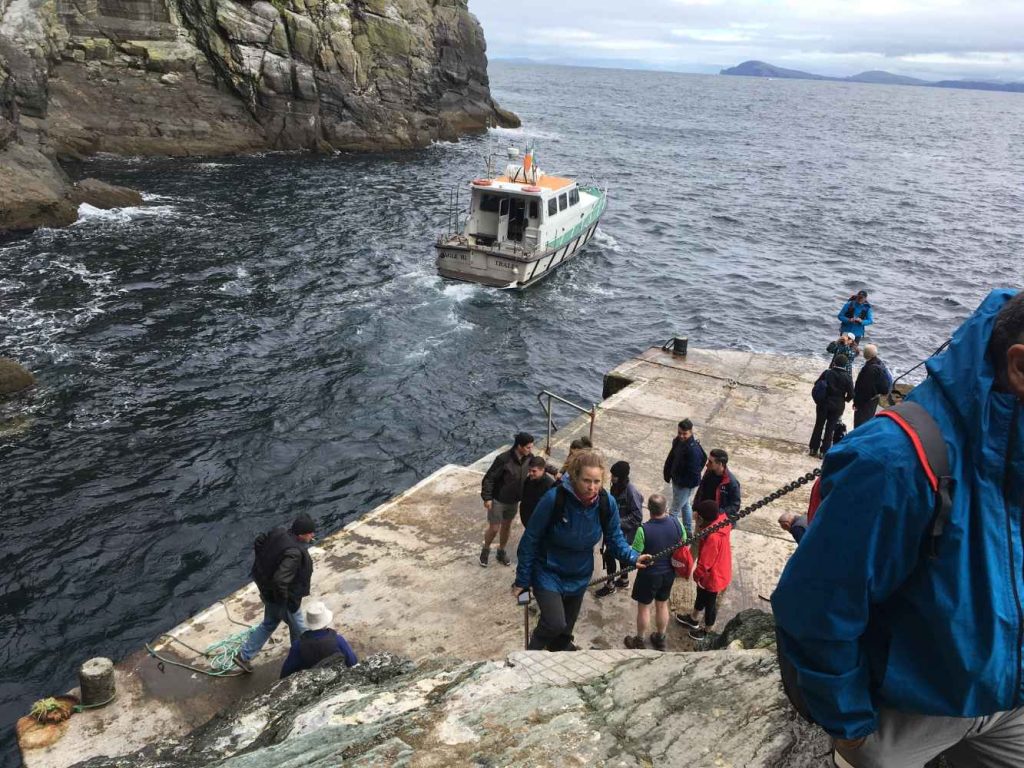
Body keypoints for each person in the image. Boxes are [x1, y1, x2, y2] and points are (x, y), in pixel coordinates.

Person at [773, 289, 1024, 767]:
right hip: (908, 701)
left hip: (1008, 696)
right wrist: (851, 729)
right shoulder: (893, 463)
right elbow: (817, 608)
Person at [513, 449, 653, 651]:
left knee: (565, 631)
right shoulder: (554, 499)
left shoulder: (606, 503)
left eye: (597, 481)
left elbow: (614, 538)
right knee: (554, 623)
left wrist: (633, 557)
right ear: (574, 476)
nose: (592, 487)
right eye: (587, 480)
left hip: (579, 574)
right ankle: (529, 656)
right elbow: (530, 540)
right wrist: (522, 580)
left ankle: (560, 653)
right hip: (548, 571)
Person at [234, 513, 317, 672]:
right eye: (310, 533)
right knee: (302, 631)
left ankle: (243, 656)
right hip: (283, 600)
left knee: (269, 623)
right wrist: (286, 602)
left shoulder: (279, 532)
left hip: (267, 592)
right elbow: (280, 580)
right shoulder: (295, 553)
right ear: (301, 535)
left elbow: (259, 541)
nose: (312, 535)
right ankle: (305, 662)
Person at [625, 493, 684, 651]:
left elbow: (636, 555)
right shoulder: (676, 524)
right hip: (668, 573)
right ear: (666, 508)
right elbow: (683, 542)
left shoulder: (643, 530)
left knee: (644, 608)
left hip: (648, 576)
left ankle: (639, 639)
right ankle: (660, 638)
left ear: (649, 509)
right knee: (662, 605)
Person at [675, 500, 732, 640]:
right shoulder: (720, 522)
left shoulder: (713, 537)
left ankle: (707, 630)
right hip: (718, 569)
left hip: (714, 575)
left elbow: (705, 563)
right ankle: (694, 618)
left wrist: (696, 575)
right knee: (701, 594)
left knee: (710, 603)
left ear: (702, 518)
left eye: (697, 517)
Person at [480, 432, 535, 568]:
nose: (530, 450)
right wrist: (487, 497)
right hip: (498, 500)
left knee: (507, 526)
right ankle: (485, 549)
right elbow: (489, 478)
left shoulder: (529, 457)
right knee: (494, 528)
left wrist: (554, 471)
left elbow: (539, 465)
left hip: (514, 501)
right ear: (519, 446)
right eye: (528, 447)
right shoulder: (503, 459)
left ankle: (501, 550)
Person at [596, 461, 644, 597]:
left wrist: (615, 522)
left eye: (615, 476)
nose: (612, 478)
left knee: (609, 555)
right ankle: (624, 579)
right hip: (616, 529)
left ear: (622, 477)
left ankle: (610, 585)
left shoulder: (631, 491)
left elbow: (637, 516)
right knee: (621, 557)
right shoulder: (616, 487)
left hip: (625, 532)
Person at [279, 600, 358, 678]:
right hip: (336, 678)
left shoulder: (298, 646)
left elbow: (285, 673)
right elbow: (352, 662)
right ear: (326, 621)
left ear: (308, 622)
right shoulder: (338, 640)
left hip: (310, 682)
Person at [662, 418, 706, 536]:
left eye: (684, 434)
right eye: (679, 433)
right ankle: (687, 531)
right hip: (677, 481)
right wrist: (669, 473)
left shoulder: (693, 449)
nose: (681, 436)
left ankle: (671, 534)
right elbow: (672, 457)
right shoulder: (678, 441)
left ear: (691, 432)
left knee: (674, 511)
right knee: (686, 505)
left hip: (685, 485)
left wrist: (683, 482)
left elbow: (702, 460)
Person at [808, 353, 854, 458]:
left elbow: (817, 384)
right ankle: (824, 451)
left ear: (834, 363)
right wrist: (845, 399)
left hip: (824, 402)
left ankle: (813, 448)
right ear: (845, 364)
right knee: (830, 428)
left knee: (819, 425)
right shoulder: (847, 377)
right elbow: (851, 394)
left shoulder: (827, 373)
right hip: (838, 405)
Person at [693, 448, 741, 522]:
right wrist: (696, 508)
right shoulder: (709, 472)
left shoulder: (731, 482)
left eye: (710, 462)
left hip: (719, 521)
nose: (707, 464)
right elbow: (700, 491)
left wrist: (718, 512)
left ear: (720, 464)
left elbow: (735, 506)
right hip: (703, 516)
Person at [853, 343, 890, 427]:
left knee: (860, 426)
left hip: (865, 402)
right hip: (874, 399)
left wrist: (856, 403)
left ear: (866, 354)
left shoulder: (869, 369)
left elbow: (864, 389)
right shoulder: (880, 364)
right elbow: (884, 389)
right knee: (867, 423)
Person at [519, 455, 555, 528]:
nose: (531, 473)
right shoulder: (529, 480)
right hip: (527, 517)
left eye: (534, 471)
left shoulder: (550, 485)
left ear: (542, 470)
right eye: (529, 470)